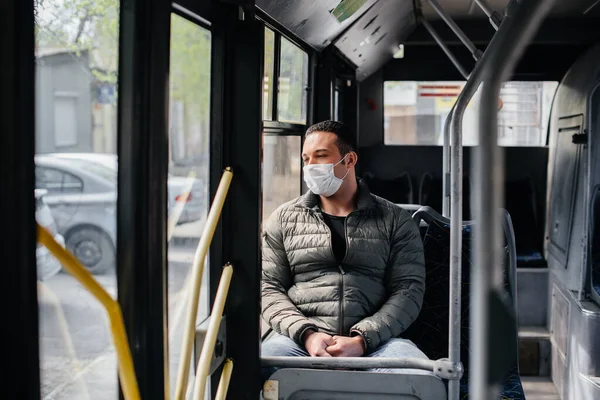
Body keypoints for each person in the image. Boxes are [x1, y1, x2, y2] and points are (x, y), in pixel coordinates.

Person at [261, 120, 428, 380]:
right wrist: (307, 334)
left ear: (349, 160)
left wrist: (362, 339)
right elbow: (268, 287)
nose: (310, 166)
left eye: (321, 156)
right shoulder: (283, 219)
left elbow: (409, 290)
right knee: (261, 366)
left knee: (419, 375)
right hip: (300, 341)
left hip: (377, 343)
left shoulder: (394, 220)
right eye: (306, 158)